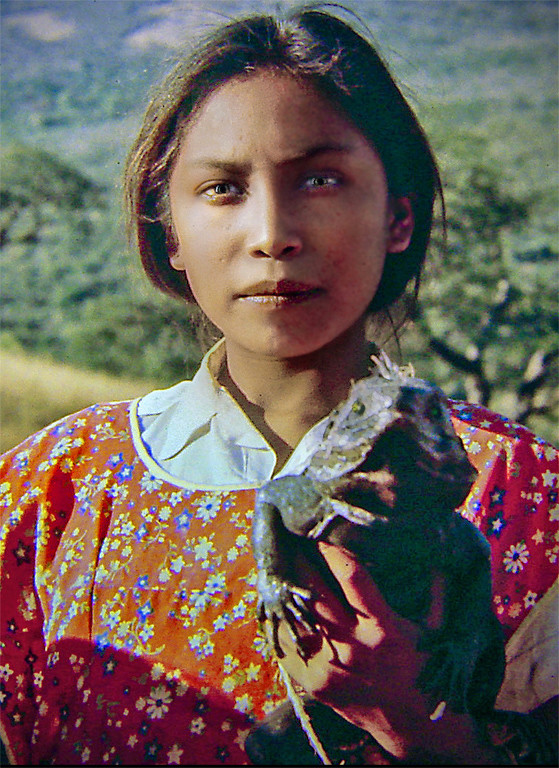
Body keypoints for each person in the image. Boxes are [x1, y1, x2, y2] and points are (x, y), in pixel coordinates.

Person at [0, 6, 557, 766]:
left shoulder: (528, 495)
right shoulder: (52, 489)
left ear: (397, 216)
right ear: (169, 230)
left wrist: (412, 723)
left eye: (320, 179)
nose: (271, 233)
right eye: (223, 188)